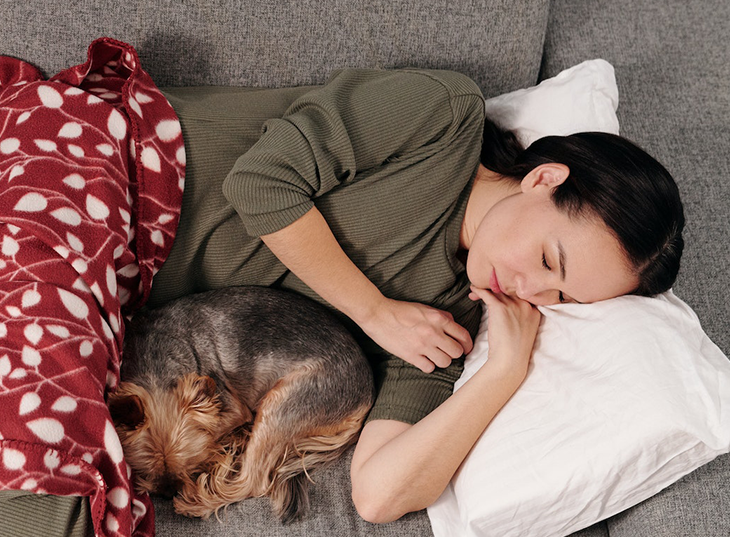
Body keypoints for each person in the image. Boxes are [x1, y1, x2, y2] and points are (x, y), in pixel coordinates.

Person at [151, 68, 685, 523]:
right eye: (549, 261)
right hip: (128, 164)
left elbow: (378, 494)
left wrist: (506, 369)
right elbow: (258, 183)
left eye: (563, 297)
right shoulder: (443, 116)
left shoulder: (449, 319)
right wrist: (375, 312)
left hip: (127, 293)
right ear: (544, 179)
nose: (533, 290)